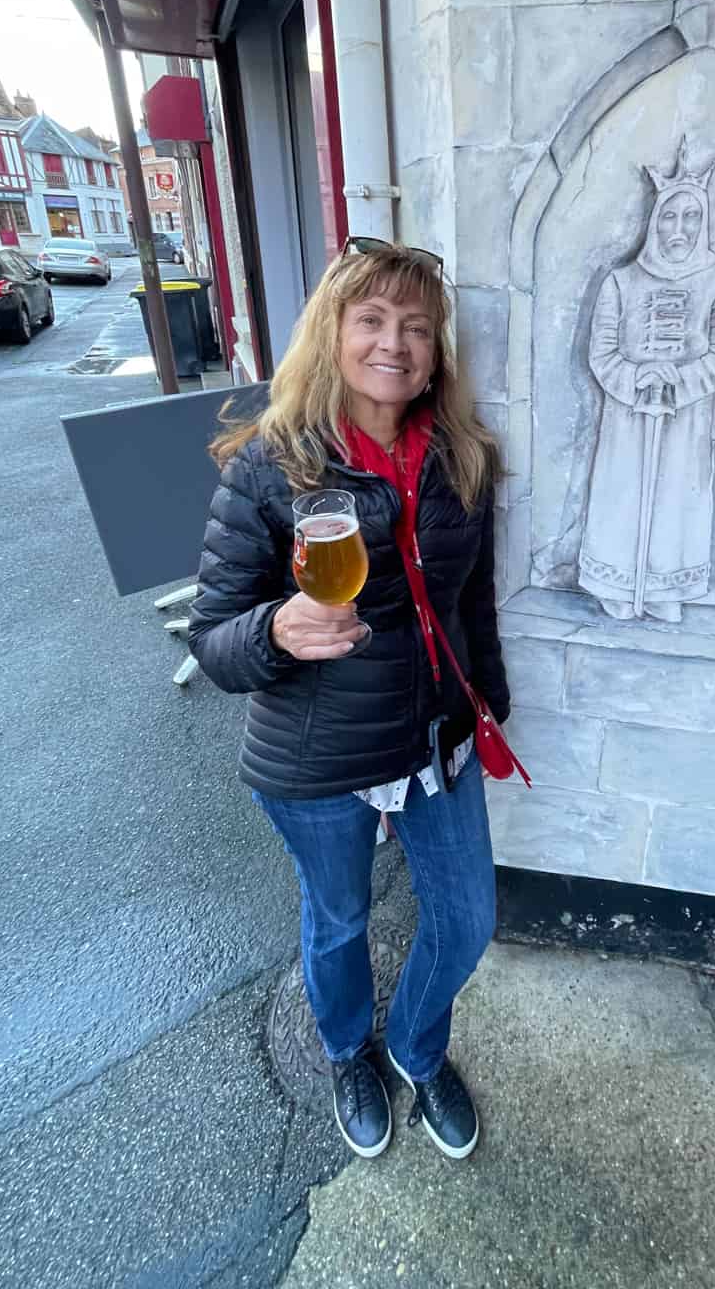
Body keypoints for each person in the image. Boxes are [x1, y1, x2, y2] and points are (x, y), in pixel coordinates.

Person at [189, 241, 508, 1163]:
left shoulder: (462, 457)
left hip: (432, 737)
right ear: (331, 335)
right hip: (315, 756)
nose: (394, 344)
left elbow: (469, 598)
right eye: (371, 320)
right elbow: (215, 640)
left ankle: (416, 1045)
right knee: (340, 921)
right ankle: (346, 1053)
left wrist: (487, 699)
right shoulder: (270, 466)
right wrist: (275, 632)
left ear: (436, 349)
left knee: (467, 918)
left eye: (415, 327)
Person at [579, 138, 715, 622]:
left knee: (676, 498)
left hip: (685, 418)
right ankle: (615, 580)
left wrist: (676, 380)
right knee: (621, 493)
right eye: (670, 216)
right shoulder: (621, 281)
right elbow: (602, 352)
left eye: (691, 217)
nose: (680, 228)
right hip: (626, 417)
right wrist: (636, 376)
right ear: (656, 221)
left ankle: (662, 586)